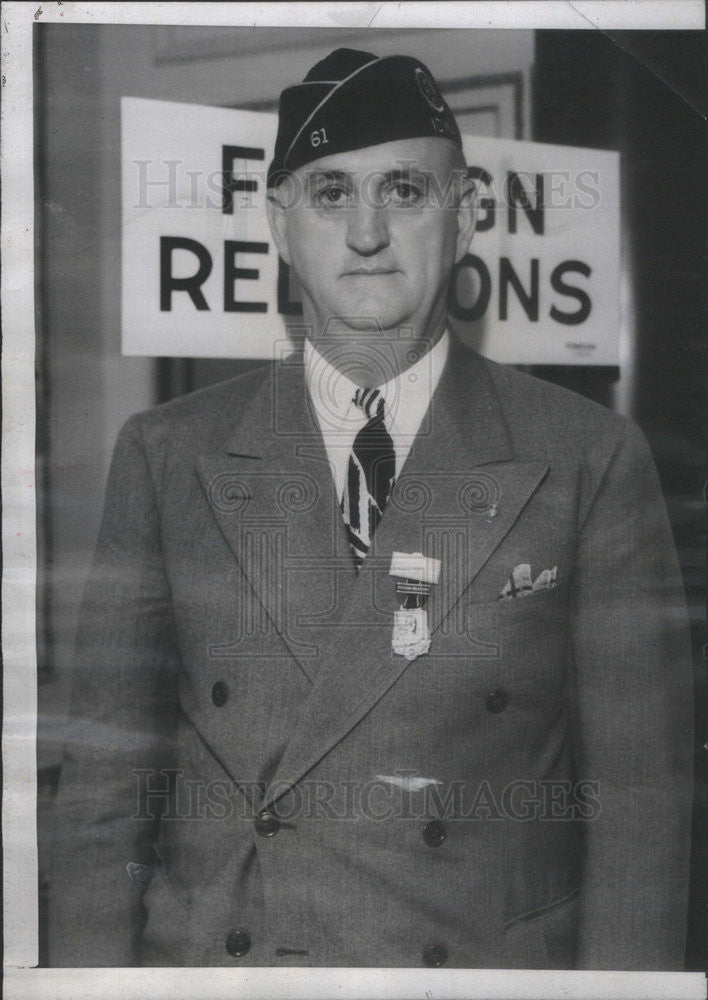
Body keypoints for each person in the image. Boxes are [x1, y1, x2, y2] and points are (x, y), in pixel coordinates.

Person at [50, 48, 692, 970]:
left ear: (467, 212)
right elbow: (104, 797)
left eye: (403, 190)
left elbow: (641, 813)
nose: (365, 233)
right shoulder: (168, 455)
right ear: (279, 221)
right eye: (328, 193)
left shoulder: (586, 457)